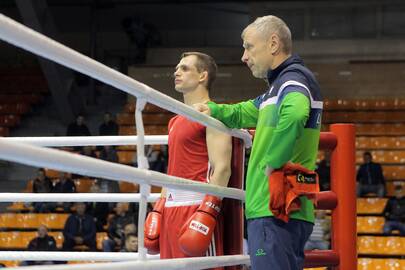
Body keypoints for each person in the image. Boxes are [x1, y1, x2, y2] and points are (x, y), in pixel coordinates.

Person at [194, 15, 323, 270]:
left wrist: (271, 162)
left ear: (273, 44)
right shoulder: (280, 87)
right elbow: (244, 112)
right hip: (287, 207)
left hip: (272, 208)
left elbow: (296, 113)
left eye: (249, 47)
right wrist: (213, 109)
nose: (244, 56)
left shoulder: (292, 80)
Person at [144, 52, 232, 265]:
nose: (177, 72)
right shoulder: (174, 121)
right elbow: (173, 169)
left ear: (202, 76)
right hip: (170, 208)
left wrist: (207, 212)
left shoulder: (212, 115)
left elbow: (222, 169)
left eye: (184, 68)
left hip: (197, 207)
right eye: (177, 68)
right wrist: (158, 207)